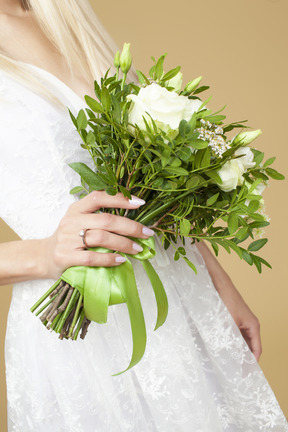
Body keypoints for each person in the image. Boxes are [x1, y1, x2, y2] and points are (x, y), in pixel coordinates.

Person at [0, 1, 287, 431]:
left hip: (180, 300)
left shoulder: (62, 14)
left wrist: (220, 285)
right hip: (83, 330)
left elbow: (146, 185)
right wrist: (44, 255)